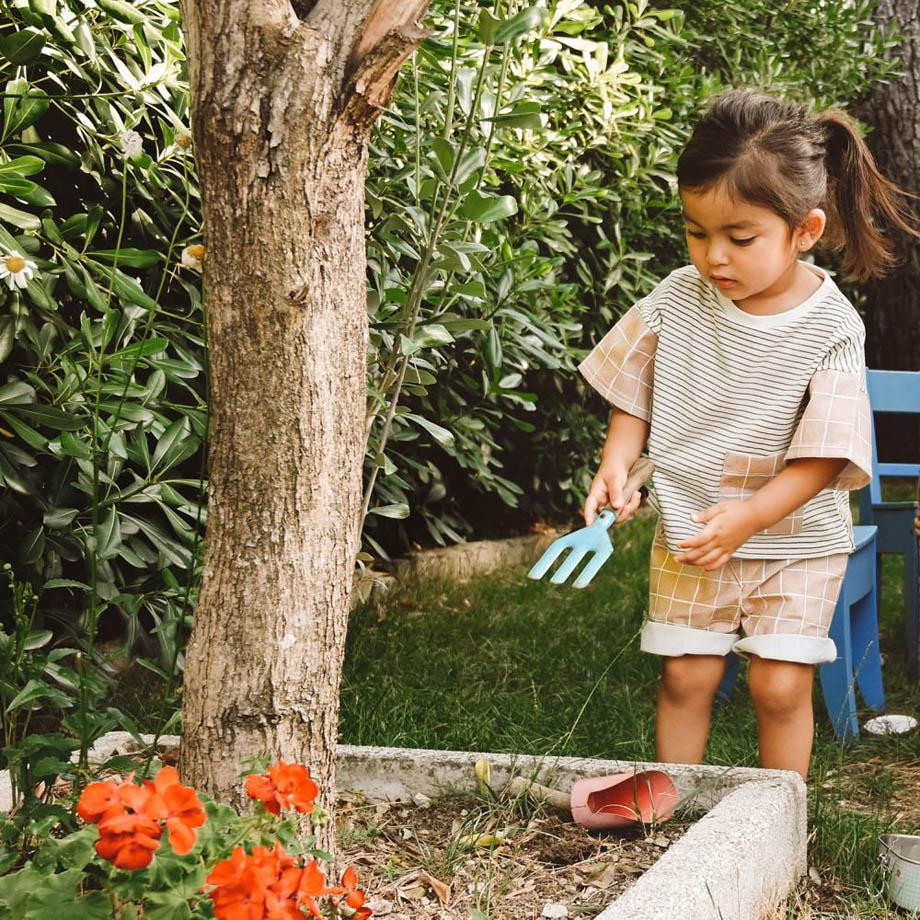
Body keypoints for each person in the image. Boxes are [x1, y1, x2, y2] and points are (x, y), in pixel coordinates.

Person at [578, 89, 918, 780]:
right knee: (686, 675)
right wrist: (617, 462)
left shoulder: (831, 326)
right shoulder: (679, 297)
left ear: (805, 230)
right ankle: (673, 810)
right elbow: (633, 389)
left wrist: (751, 519)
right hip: (696, 531)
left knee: (779, 684)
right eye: (696, 232)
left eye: (739, 238)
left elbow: (825, 458)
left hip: (795, 540)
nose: (713, 257)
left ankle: (777, 815)